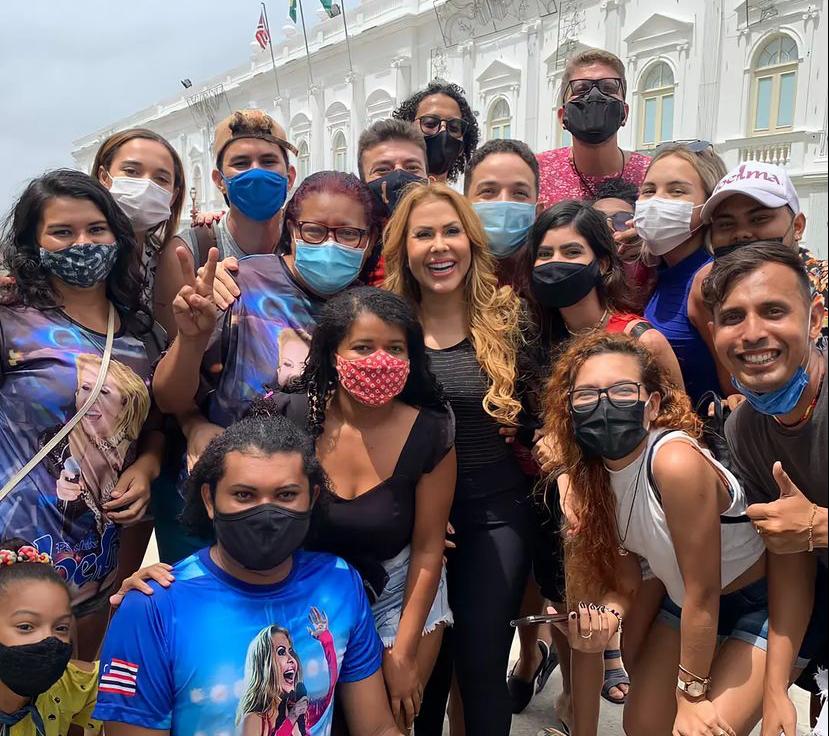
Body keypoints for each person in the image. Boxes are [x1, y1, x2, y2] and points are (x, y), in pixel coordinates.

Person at [542, 331, 798, 736]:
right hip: (686, 604)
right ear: (569, 410)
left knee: (699, 731)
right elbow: (625, 582)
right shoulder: (590, 481)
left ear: (652, 405)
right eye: (586, 396)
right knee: (643, 726)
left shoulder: (673, 461)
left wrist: (690, 697)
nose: (604, 406)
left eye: (623, 391)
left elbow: (704, 589)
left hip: (757, 601)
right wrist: (602, 621)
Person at [93, 415, 404, 736]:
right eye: (244, 495)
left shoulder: (339, 584)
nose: (266, 514)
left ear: (311, 499)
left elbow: (378, 728)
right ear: (210, 500)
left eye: (285, 495)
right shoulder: (151, 609)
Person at [250, 287, 456, 732]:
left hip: (397, 595)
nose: (379, 360)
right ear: (332, 353)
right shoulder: (287, 417)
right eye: (363, 347)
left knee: (389, 721)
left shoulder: (432, 432)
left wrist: (402, 655)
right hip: (304, 592)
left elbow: (427, 549)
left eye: (395, 349)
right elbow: (239, 510)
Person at [151, 171, 381, 561]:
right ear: (291, 229)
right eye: (314, 230)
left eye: (348, 234)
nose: (330, 244)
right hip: (224, 515)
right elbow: (170, 397)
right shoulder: (241, 283)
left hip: (317, 520)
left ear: (370, 239)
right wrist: (190, 341)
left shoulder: (371, 311)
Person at [383, 182, 533, 735]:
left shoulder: (508, 320)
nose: (439, 246)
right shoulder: (385, 326)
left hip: (495, 514)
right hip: (413, 520)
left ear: (472, 243)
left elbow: (543, 414)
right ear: (404, 249)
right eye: (424, 234)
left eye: (452, 231)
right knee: (424, 670)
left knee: (480, 663)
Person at [0, 170, 161, 659]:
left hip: (93, 557)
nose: (82, 243)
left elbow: (154, 427)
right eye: (62, 232)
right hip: (11, 550)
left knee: (71, 703)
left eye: (96, 229)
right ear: (35, 243)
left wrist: (147, 467)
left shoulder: (140, 333)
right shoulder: (9, 316)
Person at [704, 241, 827, 736]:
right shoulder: (746, 429)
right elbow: (790, 553)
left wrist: (818, 525)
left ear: (815, 320)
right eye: (733, 317)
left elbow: (806, 533)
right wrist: (775, 690)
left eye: (773, 311)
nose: (752, 333)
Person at [156, 109, 297, 334]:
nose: (256, 173)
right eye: (241, 163)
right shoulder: (187, 253)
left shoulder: (306, 243)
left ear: (289, 177)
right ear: (219, 181)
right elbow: (169, 351)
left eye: (268, 161)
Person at [529, 200, 684, 390]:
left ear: (602, 264)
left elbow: (677, 416)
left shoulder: (643, 341)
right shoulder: (534, 339)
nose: (556, 262)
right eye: (544, 254)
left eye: (572, 252)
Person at [634, 142, 731, 407]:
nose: (657, 201)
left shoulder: (708, 280)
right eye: (648, 190)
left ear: (709, 206)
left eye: (677, 191)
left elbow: (736, 391)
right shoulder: (660, 274)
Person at [701, 160, 828, 344]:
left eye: (759, 219)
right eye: (726, 224)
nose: (742, 234)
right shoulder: (707, 289)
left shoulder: (824, 284)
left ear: (798, 226)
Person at [0, 539, 100, 736]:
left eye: (61, 627)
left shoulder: (69, 685)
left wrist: (136, 597)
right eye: (26, 626)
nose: (48, 639)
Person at [92, 128, 185, 334]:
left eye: (161, 179)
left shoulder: (167, 261)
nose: (146, 185)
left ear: (173, 195)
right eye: (132, 172)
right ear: (103, 177)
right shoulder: (80, 254)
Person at [536, 48, 650, 209]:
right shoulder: (537, 172)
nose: (595, 96)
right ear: (562, 115)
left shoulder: (652, 175)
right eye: (581, 89)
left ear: (624, 113)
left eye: (609, 88)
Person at [356, 118, 429, 286]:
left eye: (412, 168)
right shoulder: (352, 244)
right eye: (383, 170)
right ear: (363, 184)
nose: (398, 177)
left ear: (428, 178)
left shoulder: (452, 236)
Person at [463, 138, 541, 293]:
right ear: (464, 205)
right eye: (488, 191)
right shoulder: (447, 278)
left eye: (519, 193)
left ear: (538, 211)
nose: (504, 202)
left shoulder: (550, 278)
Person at [393, 80, 479, 183]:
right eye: (430, 124)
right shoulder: (383, 196)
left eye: (453, 127)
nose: (443, 131)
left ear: (462, 147)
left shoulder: (463, 199)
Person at [591, 178, 655, 310]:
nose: (608, 226)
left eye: (621, 219)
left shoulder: (655, 261)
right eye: (598, 219)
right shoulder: (578, 265)